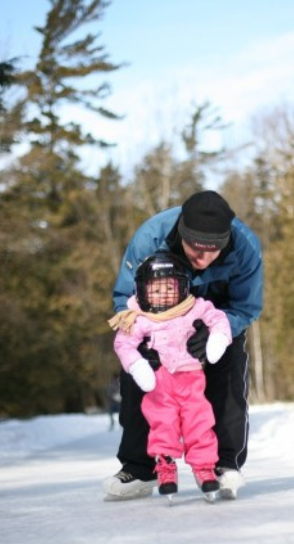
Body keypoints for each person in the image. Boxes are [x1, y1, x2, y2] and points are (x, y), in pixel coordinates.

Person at [104, 190, 263, 500]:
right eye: (195, 250)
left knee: (228, 368)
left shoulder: (246, 248)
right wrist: (140, 338)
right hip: (157, 316)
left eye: (213, 252)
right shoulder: (150, 238)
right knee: (140, 375)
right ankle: (140, 468)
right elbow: (124, 297)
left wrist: (219, 330)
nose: (202, 260)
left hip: (216, 318)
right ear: (182, 235)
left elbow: (246, 307)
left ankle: (225, 464)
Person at [109, 252, 232, 499]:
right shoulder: (139, 318)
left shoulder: (193, 307)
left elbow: (217, 318)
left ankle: (204, 467)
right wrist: (137, 366)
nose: (162, 295)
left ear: (181, 287)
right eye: (155, 290)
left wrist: (217, 338)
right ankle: (164, 465)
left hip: (191, 380)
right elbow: (123, 343)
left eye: (169, 288)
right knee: (162, 423)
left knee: (199, 422)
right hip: (159, 383)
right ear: (143, 291)